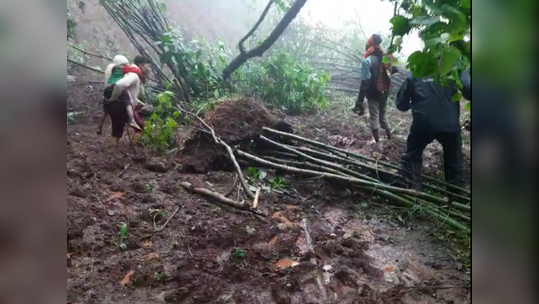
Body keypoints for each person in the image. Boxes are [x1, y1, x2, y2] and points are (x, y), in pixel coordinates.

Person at [395, 67, 471, 192]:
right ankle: (457, 197)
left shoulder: (416, 72)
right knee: (453, 161)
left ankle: (413, 190)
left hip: (424, 122)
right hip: (449, 124)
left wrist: (412, 104)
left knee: (412, 156)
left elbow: (401, 103)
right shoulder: (452, 71)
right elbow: (469, 91)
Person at [103, 55, 152, 145]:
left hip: (116, 105)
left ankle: (110, 153)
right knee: (140, 128)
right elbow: (119, 85)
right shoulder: (134, 75)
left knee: (117, 133)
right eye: (148, 66)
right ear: (141, 65)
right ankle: (135, 150)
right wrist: (113, 98)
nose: (150, 69)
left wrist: (142, 104)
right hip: (121, 106)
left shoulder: (131, 73)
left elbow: (131, 95)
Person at [364, 34, 394, 145]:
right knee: (383, 115)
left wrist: (360, 99)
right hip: (385, 91)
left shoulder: (369, 57)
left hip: (373, 92)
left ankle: (377, 143)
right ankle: (390, 137)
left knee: (374, 117)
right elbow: (390, 71)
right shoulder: (386, 56)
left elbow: (365, 81)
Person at [352, 44, 373, 115]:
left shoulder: (366, 61)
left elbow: (366, 80)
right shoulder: (380, 58)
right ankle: (361, 109)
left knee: (374, 112)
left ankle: (360, 108)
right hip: (381, 88)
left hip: (371, 84)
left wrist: (359, 102)